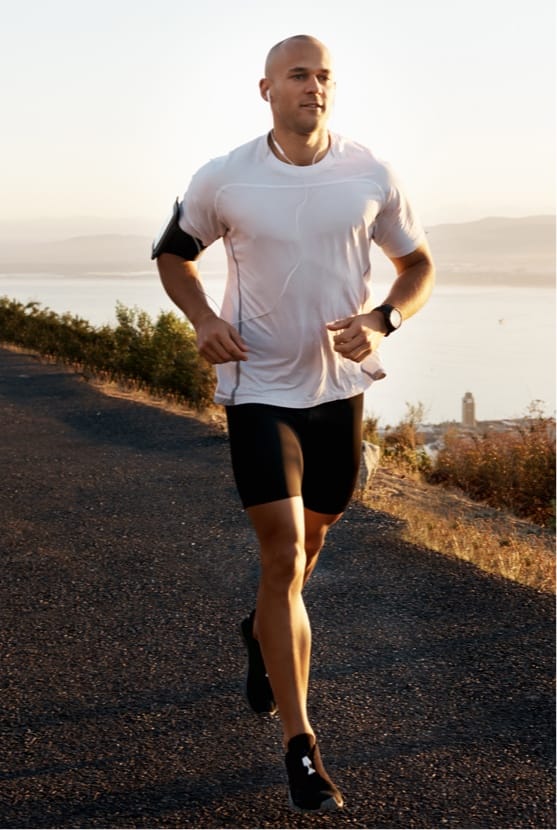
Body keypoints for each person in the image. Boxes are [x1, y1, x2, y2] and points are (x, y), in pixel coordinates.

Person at [154, 34, 435, 812]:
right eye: (298, 76)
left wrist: (382, 319)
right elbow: (173, 255)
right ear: (265, 89)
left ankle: (258, 633)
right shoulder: (224, 178)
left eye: (324, 77)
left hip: (339, 391)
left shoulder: (369, 172)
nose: (314, 87)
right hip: (257, 389)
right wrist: (203, 318)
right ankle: (302, 746)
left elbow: (418, 268)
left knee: (310, 546)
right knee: (280, 555)